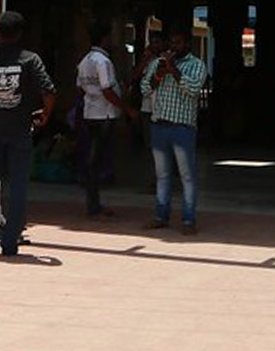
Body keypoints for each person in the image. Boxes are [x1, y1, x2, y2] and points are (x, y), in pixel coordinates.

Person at [0, 10, 56, 257]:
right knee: (18, 186)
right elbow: (49, 92)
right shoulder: (30, 61)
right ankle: (9, 243)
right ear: (20, 34)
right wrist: (45, 115)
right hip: (20, 130)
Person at [141, 24, 207, 234]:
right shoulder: (158, 63)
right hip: (159, 126)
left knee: (187, 176)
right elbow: (144, 88)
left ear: (188, 44)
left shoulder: (196, 65)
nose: (173, 46)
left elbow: (193, 88)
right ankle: (161, 215)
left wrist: (174, 71)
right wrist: (159, 73)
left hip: (183, 128)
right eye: (171, 43)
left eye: (178, 43)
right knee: (162, 175)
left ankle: (188, 220)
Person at [76, 23, 136, 217]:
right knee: (96, 160)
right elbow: (107, 90)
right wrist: (126, 109)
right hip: (105, 114)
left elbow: (80, 86)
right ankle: (93, 205)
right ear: (104, 39)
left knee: (93, 158)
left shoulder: (84, 61)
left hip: (90, 112)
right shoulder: (103, 62)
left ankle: (94, 202)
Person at [132, 26, 167, 190]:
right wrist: (144, 61)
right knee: (149, 146)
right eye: (152, 43)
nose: (155, 46)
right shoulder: (147, 61)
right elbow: (135, 77)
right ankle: (153, 179)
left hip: (163, 107)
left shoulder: (166, 61)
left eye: (158, 42)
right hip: (147, 107)